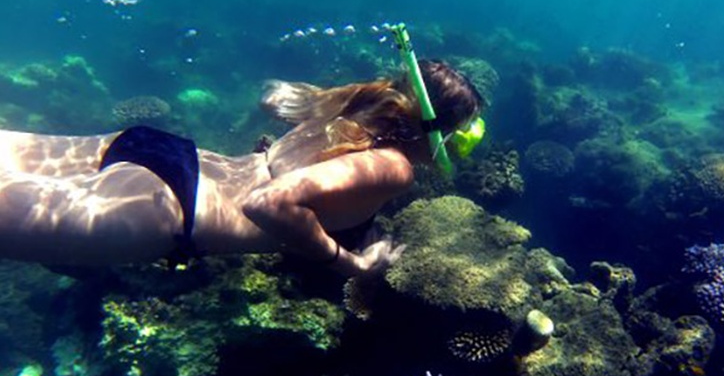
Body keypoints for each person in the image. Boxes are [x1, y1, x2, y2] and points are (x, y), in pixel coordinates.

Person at [0, 59, 484, 276]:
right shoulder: (393, 166)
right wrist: (353, 264)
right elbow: (269, 202)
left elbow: (272, 96)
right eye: (465, 132)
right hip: (173, 209)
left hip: (162, 151)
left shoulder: (352, 107)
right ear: (439, 131)